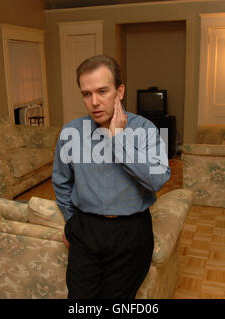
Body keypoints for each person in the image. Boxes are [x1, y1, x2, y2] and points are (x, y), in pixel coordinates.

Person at [52, 55, 171, 299]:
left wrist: (118, 139)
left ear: (120, 91)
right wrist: (72, 221)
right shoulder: (71, 131)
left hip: (131, 232)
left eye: (102, 91)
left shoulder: (147, 128)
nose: (94, 102)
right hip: (86, 228)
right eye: (86, 94)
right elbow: (61, 181)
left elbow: (158, 179)